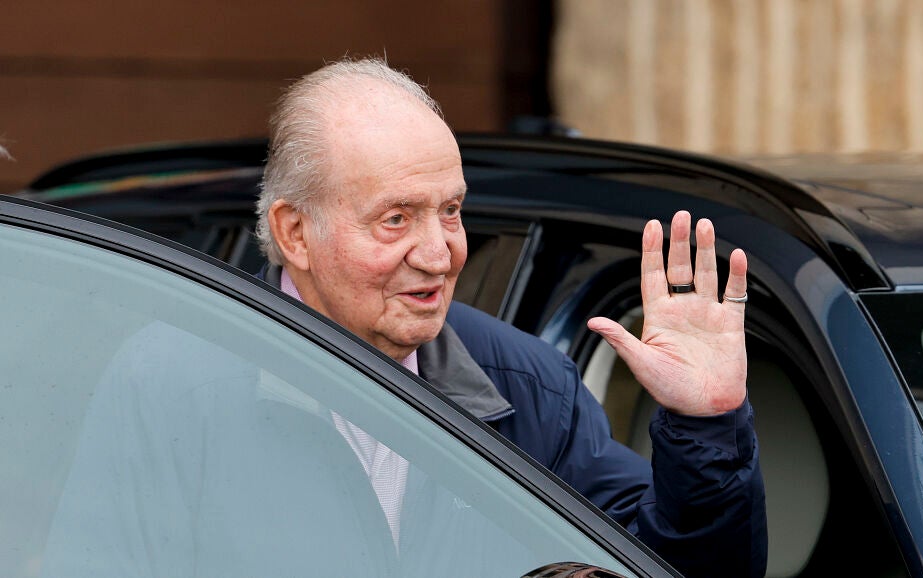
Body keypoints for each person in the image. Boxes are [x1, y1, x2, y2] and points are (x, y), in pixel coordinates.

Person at [255, 58, 767, 577]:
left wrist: (705, 427)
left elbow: (667, 568)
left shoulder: (531, 390)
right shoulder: (207, 382)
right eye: (396, 219)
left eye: (450, 211)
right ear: (295, 233)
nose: (440, 254)